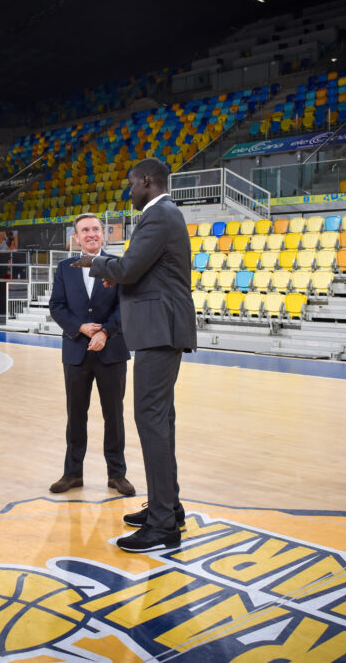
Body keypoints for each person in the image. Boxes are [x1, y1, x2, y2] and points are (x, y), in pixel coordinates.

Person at [72, 158, 196, 552]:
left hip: (160, 329)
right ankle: (168, 507)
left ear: (146, 180)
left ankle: (163, 524)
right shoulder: (164, 215)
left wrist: (97, 263)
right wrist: (118, 270)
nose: (129, 190)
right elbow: (139, 270)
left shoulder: (159, 215)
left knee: (151, 420)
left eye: (131, 183)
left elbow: (129, 268)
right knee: (162, 420)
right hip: (160, 328)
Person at [48, 213, 135, 497]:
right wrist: (80, 328)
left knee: (114, 416)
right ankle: (73, 473)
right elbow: (57, 306)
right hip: (76, 351)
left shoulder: (118, 266)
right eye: (85, 230)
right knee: (75, 416)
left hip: (112, 350)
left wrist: (105, 332)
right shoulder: (65, 268)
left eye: (96, 229)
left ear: (103, 233)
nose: (91, 234)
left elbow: (125, 306)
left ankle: (117, 475)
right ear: (76, 237)